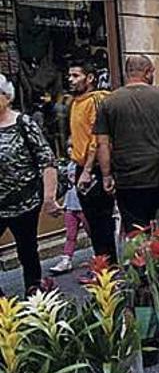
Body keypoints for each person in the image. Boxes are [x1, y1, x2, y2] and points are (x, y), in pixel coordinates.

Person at [95, 55, 159, 232]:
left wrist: (106, 175)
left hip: (128, 178)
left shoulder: (108, 102)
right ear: (147, 73)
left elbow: (102, 144)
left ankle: (142, 259)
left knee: (136, 231)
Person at [0, 73, 62, 293]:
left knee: (27, 250)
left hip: (24, 202)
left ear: (7, 97)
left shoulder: (22, 123)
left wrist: (49, 198)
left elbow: (47, 159)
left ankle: (34, 293)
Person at [66, 60, 116, 264]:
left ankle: (108, 267)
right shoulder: (75, 102)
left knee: (101, 223)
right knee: (92, 223)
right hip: (81, 167)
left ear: (90, 78)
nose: (70, 80)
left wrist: (87, 170)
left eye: (75, 76)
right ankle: (101, 265)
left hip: (94, 169)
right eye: (69, 76)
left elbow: (98, 138)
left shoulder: (96, 100)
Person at [50, 154, 89, 275]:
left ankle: (100, 256)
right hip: (70, 206)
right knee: (70, 235)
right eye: (69, 148)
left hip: (83, 206)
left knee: (92, 232)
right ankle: (66, 259)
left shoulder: (85, 166)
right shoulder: (67, 166)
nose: (71, 151)